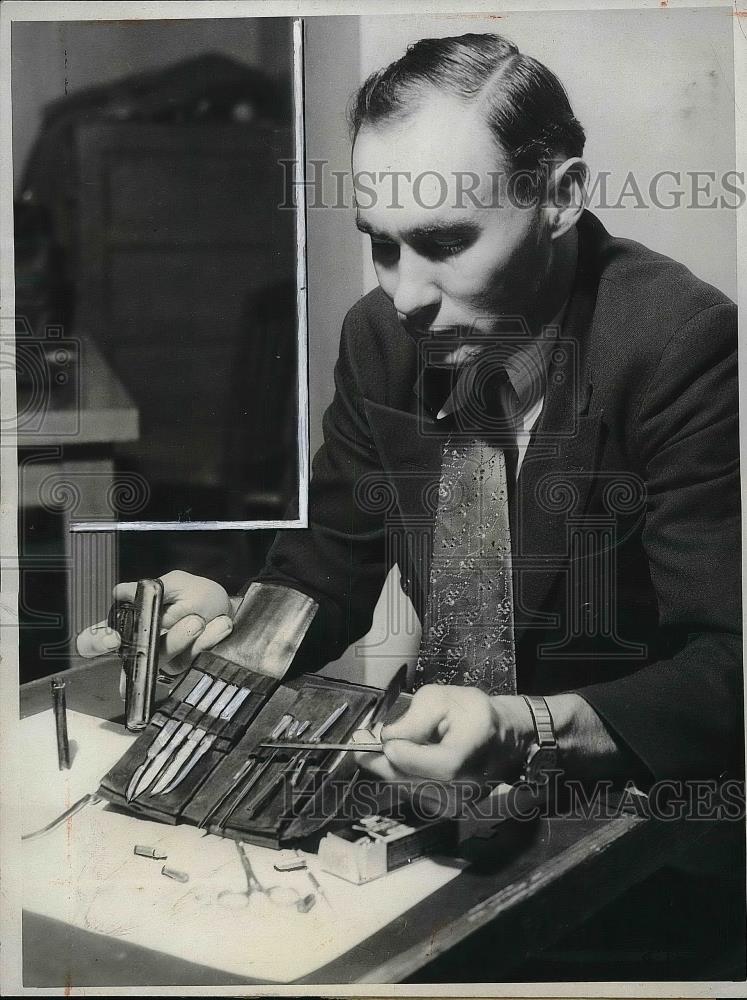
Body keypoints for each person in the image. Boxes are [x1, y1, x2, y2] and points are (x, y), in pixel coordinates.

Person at [78, 33, 741, 794]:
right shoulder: (378, 337)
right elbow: (326, 569)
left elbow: (727, 667)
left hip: (637, 820)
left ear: (559, 197)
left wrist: (527, 727)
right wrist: (230, 623)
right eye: (383, 247)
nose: (405, 297)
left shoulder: (679, 343)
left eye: (445, 241)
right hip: (436, 793)